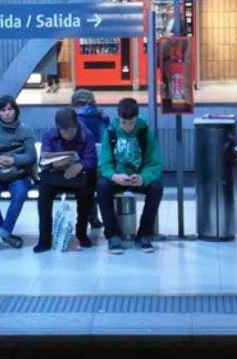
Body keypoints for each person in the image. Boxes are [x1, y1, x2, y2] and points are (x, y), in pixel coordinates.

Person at [97, 97, 164, 254]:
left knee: (156, 187)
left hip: (138, 177)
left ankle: (144, 234)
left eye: (131, 123)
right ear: (118, 118)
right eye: (124, 123)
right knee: (102, 186)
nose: (127, 127)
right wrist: (114, 176)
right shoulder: (110, 132)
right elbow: (104, 163)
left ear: (137, 118)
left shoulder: (145, 132)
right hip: (118, 177)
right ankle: (113, 235)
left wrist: (143, 177)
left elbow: (154, 163)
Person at [34, 108, 98, 253]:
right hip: (56, 176)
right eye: (63, 132)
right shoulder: (50, 135)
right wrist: (54, 164)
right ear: (58, 128)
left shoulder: (86, 134)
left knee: (86, 192)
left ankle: (81, 234)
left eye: (71, 131)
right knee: (43, 193)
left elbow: (92, 160)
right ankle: (44, 239)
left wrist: (80, 165)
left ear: (77, 125)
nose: (68, 135)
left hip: (78, 176)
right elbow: (43, 160)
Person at [0, 95, 37, 251]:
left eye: (10, 109)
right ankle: (5, 234)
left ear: (16, 111)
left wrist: (13, 159)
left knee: (20, 193)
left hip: (18, 172)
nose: (7, 113)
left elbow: (31, 155)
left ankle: (2, 235)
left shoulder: (25, 130)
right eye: (3, 110)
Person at [71, 88, 109, 229]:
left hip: (82, 164)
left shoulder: (73, 119)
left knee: (85, 183)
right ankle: (96, 218)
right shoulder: (102, 118)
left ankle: (90, 217)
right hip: (102, 163)